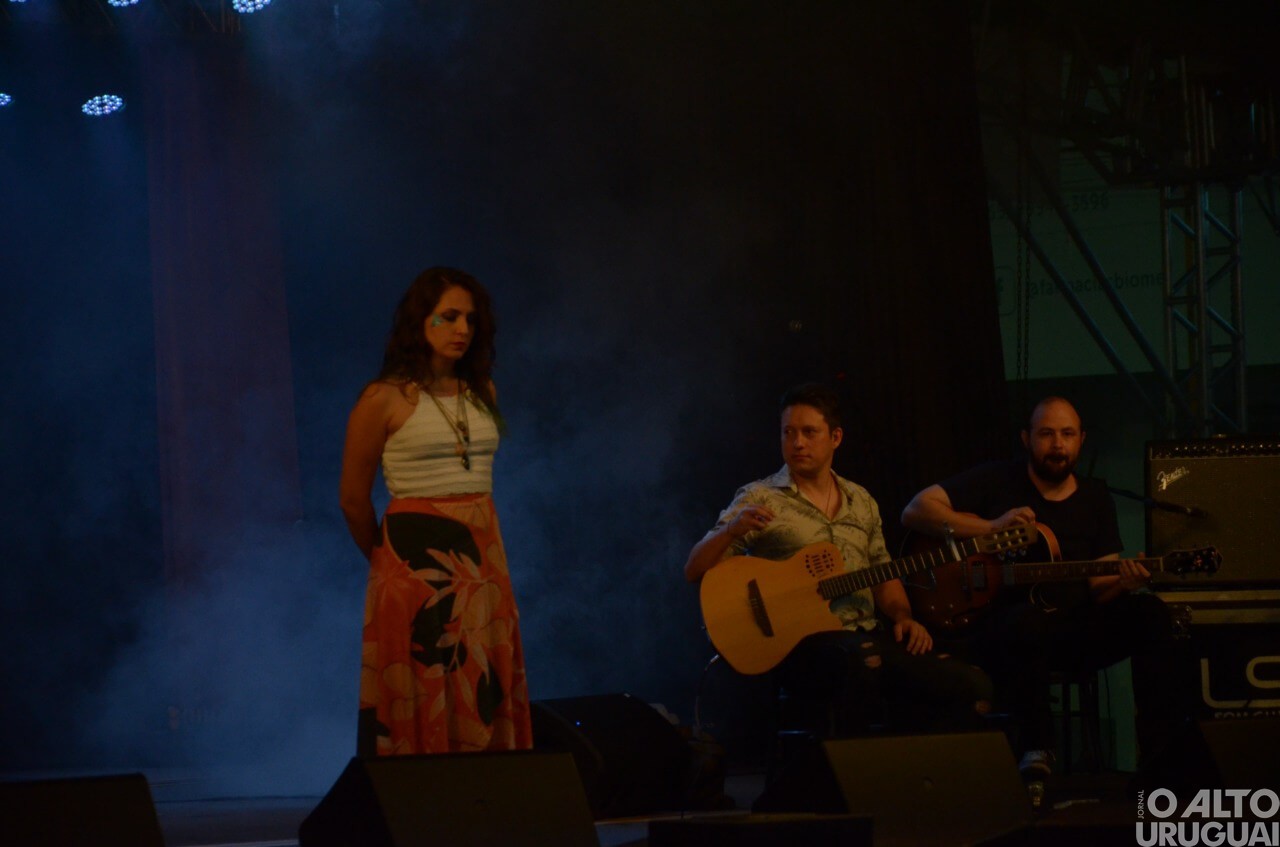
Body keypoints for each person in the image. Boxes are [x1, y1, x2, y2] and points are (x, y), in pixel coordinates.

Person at [900, 396, 1188, 780]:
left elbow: (1099, 586)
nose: (1057, 445)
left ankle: (1161, 753)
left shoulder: (1095, 496)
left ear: (1081, 440)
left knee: (1151, 613)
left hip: (1074, 631)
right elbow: (915, 511)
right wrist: (992, 529)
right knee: (1025, 620)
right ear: (1026, 438)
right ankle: (1037, 749)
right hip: (1001, 631)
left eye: (1067, 434)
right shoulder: (997, 479)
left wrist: (1123, 580)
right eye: (1047, 434)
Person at [685, 383, 992, 737]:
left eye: (809, 432)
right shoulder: (760, 496)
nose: (797, 442)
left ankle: (911, 778)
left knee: (973, 687)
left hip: (864, 637)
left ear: (836, 437)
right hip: (800, 648)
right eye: (788, 433)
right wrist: (731, 532)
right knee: (861, 661)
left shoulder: (861, 500)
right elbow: (694, 569)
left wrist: (904, 616)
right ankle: (847, 781)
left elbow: (882, 570)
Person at [340, 267, 532, 756]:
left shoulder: (483, 392)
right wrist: (390, 562)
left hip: (481, 555)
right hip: (414, 560)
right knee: (424, 676)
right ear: (418, 322)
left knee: (478, 675)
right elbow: (352, 499)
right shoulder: (382, 398)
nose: (462, 329)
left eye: (469, 319)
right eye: (447, 317)